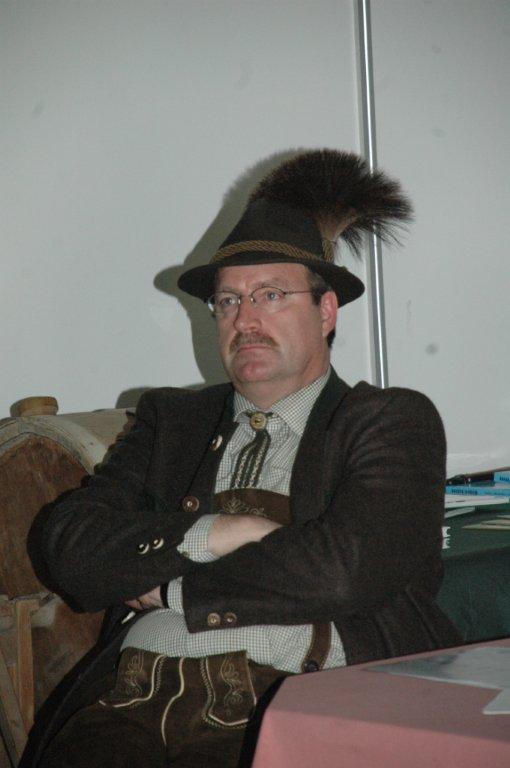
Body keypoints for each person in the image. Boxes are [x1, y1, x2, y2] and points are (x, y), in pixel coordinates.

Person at [33, 150, 460, 767]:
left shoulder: (389, 420)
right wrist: (221, 532)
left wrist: (172, 588)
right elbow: (70, 546)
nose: (246, 320)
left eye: (271, 295)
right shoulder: (171, 420)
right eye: (229, 301)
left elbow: (345, 569)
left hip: (291, 702)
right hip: (129, 700)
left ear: (326, 310)